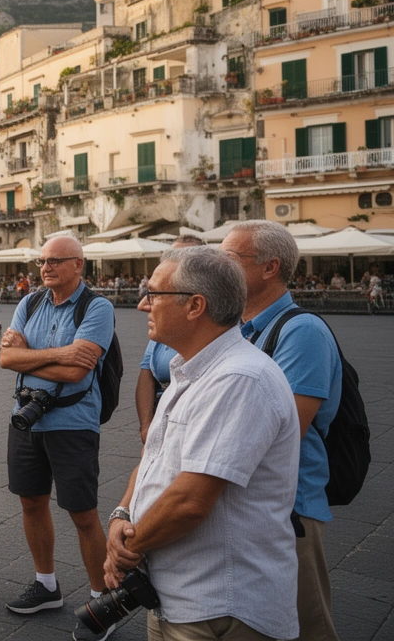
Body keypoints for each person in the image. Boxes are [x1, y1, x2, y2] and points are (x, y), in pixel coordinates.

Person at [108, 247, 300, 641]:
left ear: (195, 305)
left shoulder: (238, 379)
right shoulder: (189, 370)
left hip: (218, 603)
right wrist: (121, 513)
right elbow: (154, 458)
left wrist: (128, 549)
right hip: (180, 595)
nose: (144, 304)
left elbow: (190, 502)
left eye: (154, 293)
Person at [222, 220, 343, 641]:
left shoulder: (302, 331)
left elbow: (284, 428)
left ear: (269, 268)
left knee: (307, 625)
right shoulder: (238, 329)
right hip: (248, 501)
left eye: (230, 258)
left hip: (289, 510)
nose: (220, 265)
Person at [0, 236, 114, 641]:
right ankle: (46, 585)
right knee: (31, 503)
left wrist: (31, 354)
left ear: (79, 265)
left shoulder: (97, 307)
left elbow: (76, 373)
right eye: (42, 261)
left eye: (55, 260)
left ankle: (103, 602)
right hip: (26, 418)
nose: (45, 267)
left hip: (73, 422)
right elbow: (4, 358)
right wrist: (62, 353)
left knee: (83, 513)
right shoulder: (29, 303)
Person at [134, 235, 203, 444]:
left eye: (182, 258)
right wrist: (147, 426)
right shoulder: (164, 326)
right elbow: (146, 372)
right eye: (169, 257)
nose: (143, 305)